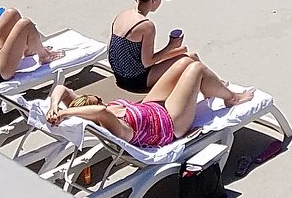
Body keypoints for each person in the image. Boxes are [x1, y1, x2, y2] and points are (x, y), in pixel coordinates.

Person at [44, 60, 257, 149]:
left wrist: (55, 107)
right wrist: (68, 113)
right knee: (196, 69)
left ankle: (213, 86)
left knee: (183, 62)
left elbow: (61, 90)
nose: (101, 100)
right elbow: (99, 111)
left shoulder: (95, 112)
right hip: (170, 124)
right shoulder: (112, 124)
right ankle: (231, 98)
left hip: (150, 107)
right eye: (97, 101)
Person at [107, 0, 194, 93]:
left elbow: (112, 49)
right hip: (135, 80)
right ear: (154, 0)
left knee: (182, 50)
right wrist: (170, 46)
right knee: (191, 58)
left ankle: (215, 84)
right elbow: (147, 62)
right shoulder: (146, 26)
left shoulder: (122, 15)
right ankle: (215, 85)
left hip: (120, 75)